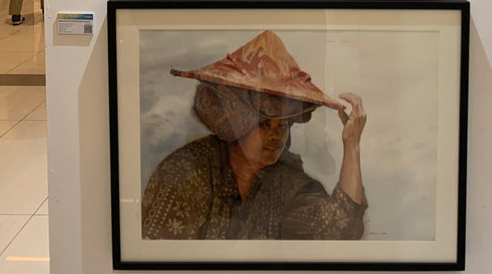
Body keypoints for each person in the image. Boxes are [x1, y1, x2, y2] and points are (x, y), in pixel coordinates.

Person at [141, 30, 367, 240]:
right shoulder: (186, 171)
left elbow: (341, 229)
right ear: (238, 122)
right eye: (264, 124)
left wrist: (352, 144)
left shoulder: (286, 182)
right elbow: (158, 255)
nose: (275, 135)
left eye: (283, 125)